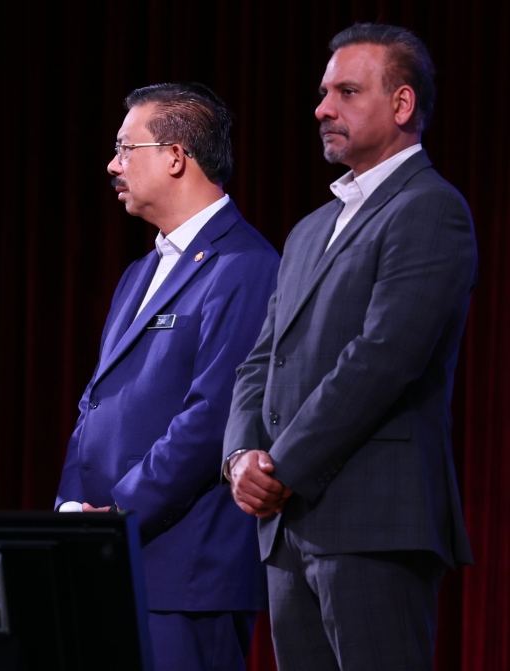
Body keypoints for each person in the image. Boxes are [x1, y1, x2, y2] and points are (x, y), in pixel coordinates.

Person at [223, 24, 475, 671]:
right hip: (289, 530)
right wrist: (240, 456)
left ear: (401, 104)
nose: (322, 108)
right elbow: (261, 359)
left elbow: (383, 357)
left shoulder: (429, 207)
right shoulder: (310, 229)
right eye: (322, 92)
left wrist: (279, 466)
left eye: (346, 91)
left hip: (374, 523)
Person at [55, 83, 279, 671]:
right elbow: (96, 402)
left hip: (185, 571)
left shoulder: (246, 266)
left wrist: (122, 510)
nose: (113, 164)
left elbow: (213, 417)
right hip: (110, 552)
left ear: (176, 156)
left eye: (127, 148)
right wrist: (73, 504)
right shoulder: (139, 271)